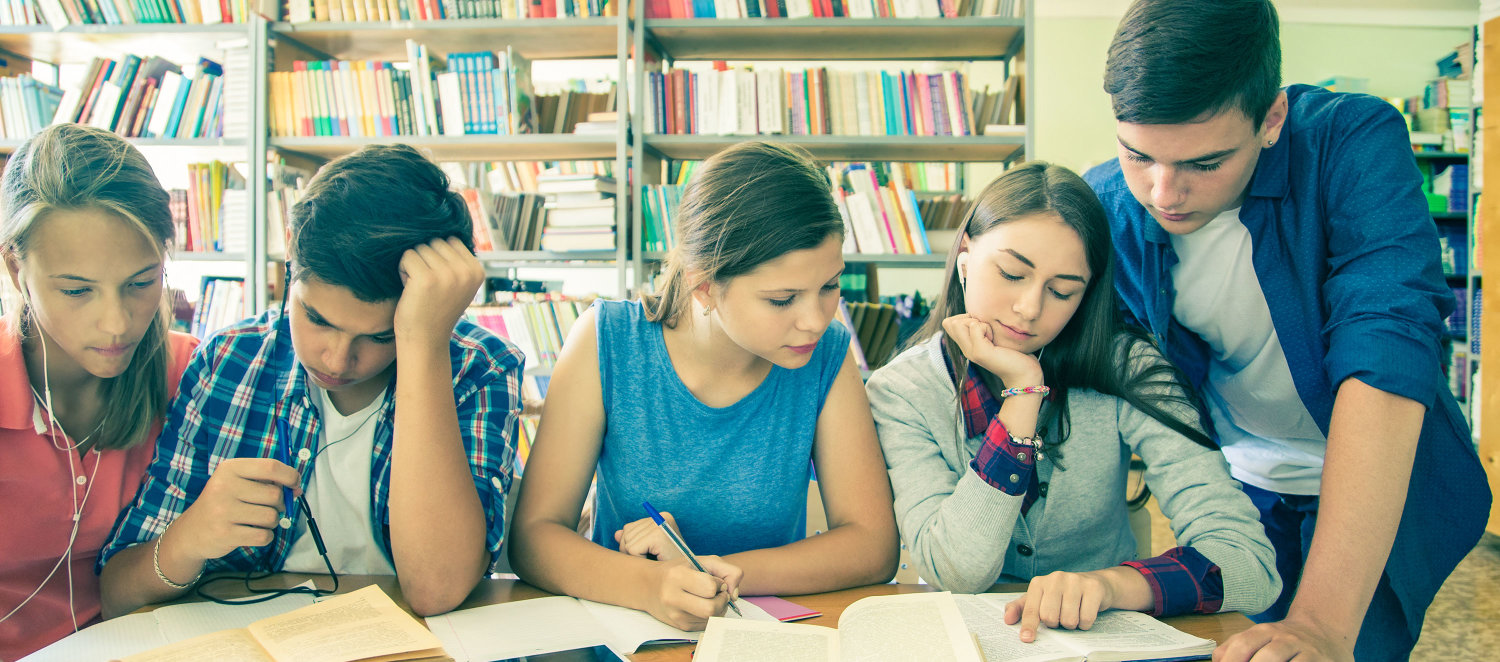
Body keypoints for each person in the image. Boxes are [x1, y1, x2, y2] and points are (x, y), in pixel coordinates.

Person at [1083, 1, 1492, 660]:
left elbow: (1387, 341)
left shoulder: (1351, 141)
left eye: (1205, 163)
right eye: (1138, 156)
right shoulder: (1104, 202)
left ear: (1270, 118)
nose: (1163, 192)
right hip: (1239, 487)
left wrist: (1324, 622)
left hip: (1373, 482)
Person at [98, 144, 524, 618]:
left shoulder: (478, 368)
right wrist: (187, 539)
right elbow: (117, 592)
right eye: (317, 319)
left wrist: (423, 342)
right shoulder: (229, 360)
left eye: (381, 336)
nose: (338, 360)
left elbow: (436, 589)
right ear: (288, 275)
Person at [867, 161, 1278, 643]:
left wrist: (1111, 585)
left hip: (1104, 641)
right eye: (1011, 274)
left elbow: (1251, 566)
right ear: (963, 260)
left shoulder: (1128, 366)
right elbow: (958, 571)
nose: (1030, 309)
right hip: (967, 642)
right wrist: (1023, 394)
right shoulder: (900, 391)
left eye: (1062, 291)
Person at [509, 141, 898, 631]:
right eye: (782, 300)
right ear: (704, 286)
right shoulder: (605, 340)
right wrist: (649, 586)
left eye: (830, 286)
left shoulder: (827, 355)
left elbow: (872, 545)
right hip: (625, 635)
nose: (816, 320)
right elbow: (533, 537)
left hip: (758, 636)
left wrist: (715, 571)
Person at [0, 124, 199, 659]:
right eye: (76, 289)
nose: (117, 324)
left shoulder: (194, 372)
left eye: (140, 282)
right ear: (17, 269)